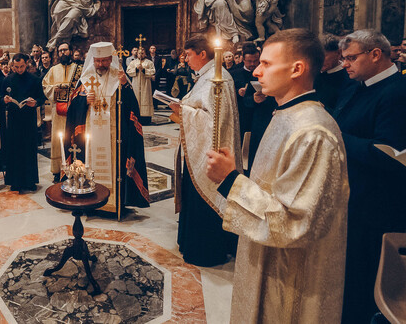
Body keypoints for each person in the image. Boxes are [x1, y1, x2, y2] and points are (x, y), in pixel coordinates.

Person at [206, 28, 349, 323]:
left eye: (267, 64)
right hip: (266, 258)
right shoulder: (285, 114)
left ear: (297, 68)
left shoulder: (313, 133)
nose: (257, 71)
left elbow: (295, 222)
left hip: (291, 277)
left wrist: (232, 179)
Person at [331, 29, 406, 323]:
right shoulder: (356, 85)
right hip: (350, 197)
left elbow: (391, 154)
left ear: (376, 54)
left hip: (376, 204)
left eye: (351, 58)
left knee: (365, 279)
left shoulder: (397, 93)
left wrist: (336, 136)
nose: (345, 64)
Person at [169, 35, 240, 267]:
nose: (185, 59)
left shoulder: (217, 78)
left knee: (206, 198)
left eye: (188, 55)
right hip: (198, 150)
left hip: (209, 153)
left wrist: (184, 111)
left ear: (202, 54)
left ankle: (205, 250)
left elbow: (215, 122)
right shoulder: (207, 76)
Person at [64, 42, 150, 215]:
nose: (101, 64)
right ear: (93, 60)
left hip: (115, 137)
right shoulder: (85, 78)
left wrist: (125, 86)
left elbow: (132, 108)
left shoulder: (119, 78)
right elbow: (72, 108)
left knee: (116, 167)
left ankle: (116, 201)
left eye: (104, 61)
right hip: (89, 137)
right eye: (98, 61)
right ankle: (88, 200)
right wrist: (83, 101)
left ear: (111, 59)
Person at [2, 54, 45, 192]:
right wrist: (4, 100)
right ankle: (15, 182)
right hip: (14, 119)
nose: (19, 69)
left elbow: (42, 98)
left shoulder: (34, 79)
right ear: (12, 66)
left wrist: (35, 102)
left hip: (28, 119)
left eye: (21, 66)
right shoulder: (7, 79)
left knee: (29, 149)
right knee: (14, 149)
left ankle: (30, 181)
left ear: (26, 64)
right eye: (16, 67)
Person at [42, 42, 82, 182]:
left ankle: (76, 167)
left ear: (70, 51)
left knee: (74, 139)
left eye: (65, 50)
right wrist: (55, 88)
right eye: (60, 51)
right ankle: (57, 170)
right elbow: (45, 86)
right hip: (58, 110)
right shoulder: (53, 70)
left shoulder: (79, 69)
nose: (62, 53)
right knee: (58, 140)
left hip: (74, 110)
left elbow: (84, 87)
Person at [314, 34, 350, 112]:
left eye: (324, 56)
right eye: (317, 56)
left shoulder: (349, 77)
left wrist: (322, 108)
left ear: (339, 53)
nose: (319, 60)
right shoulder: (314, 73)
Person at [127, 47, 156, 124]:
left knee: (146, 99)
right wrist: (136, 69)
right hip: (136, 83)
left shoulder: (149, 62)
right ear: (137, 54)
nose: (140, 55)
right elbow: (128, 71)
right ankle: (136, 116)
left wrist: (143, 69)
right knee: (136, 98)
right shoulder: (133, 63)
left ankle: (146, 119)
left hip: (146, 84)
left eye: (142, 53)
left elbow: (153, 71)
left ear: (145, 54)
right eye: (139, 53)